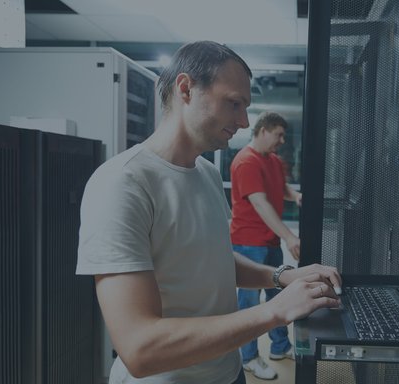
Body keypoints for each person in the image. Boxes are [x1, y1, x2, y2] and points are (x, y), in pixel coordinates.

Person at [76, 41, 342, 384]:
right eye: (234, 104)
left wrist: (281, 276)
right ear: (186, 89)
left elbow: (213, 259)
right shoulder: (121, 183)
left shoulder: (206, 173)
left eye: (245, 107)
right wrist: (274, 310)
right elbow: (139, 348)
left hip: (227, 374)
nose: (244, 122)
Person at [230, 111, 303, 379]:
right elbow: (260, 203)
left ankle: (280, 347)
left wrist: (296, 195)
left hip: (268, 240)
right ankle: (248, 357)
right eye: (278, 134)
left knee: (277, 295)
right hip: (249, 243)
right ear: (262, 130)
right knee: (250, 303)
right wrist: (289, 236)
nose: (282, 140)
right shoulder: (246, 161)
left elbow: (280, 189)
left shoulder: (273, 160)